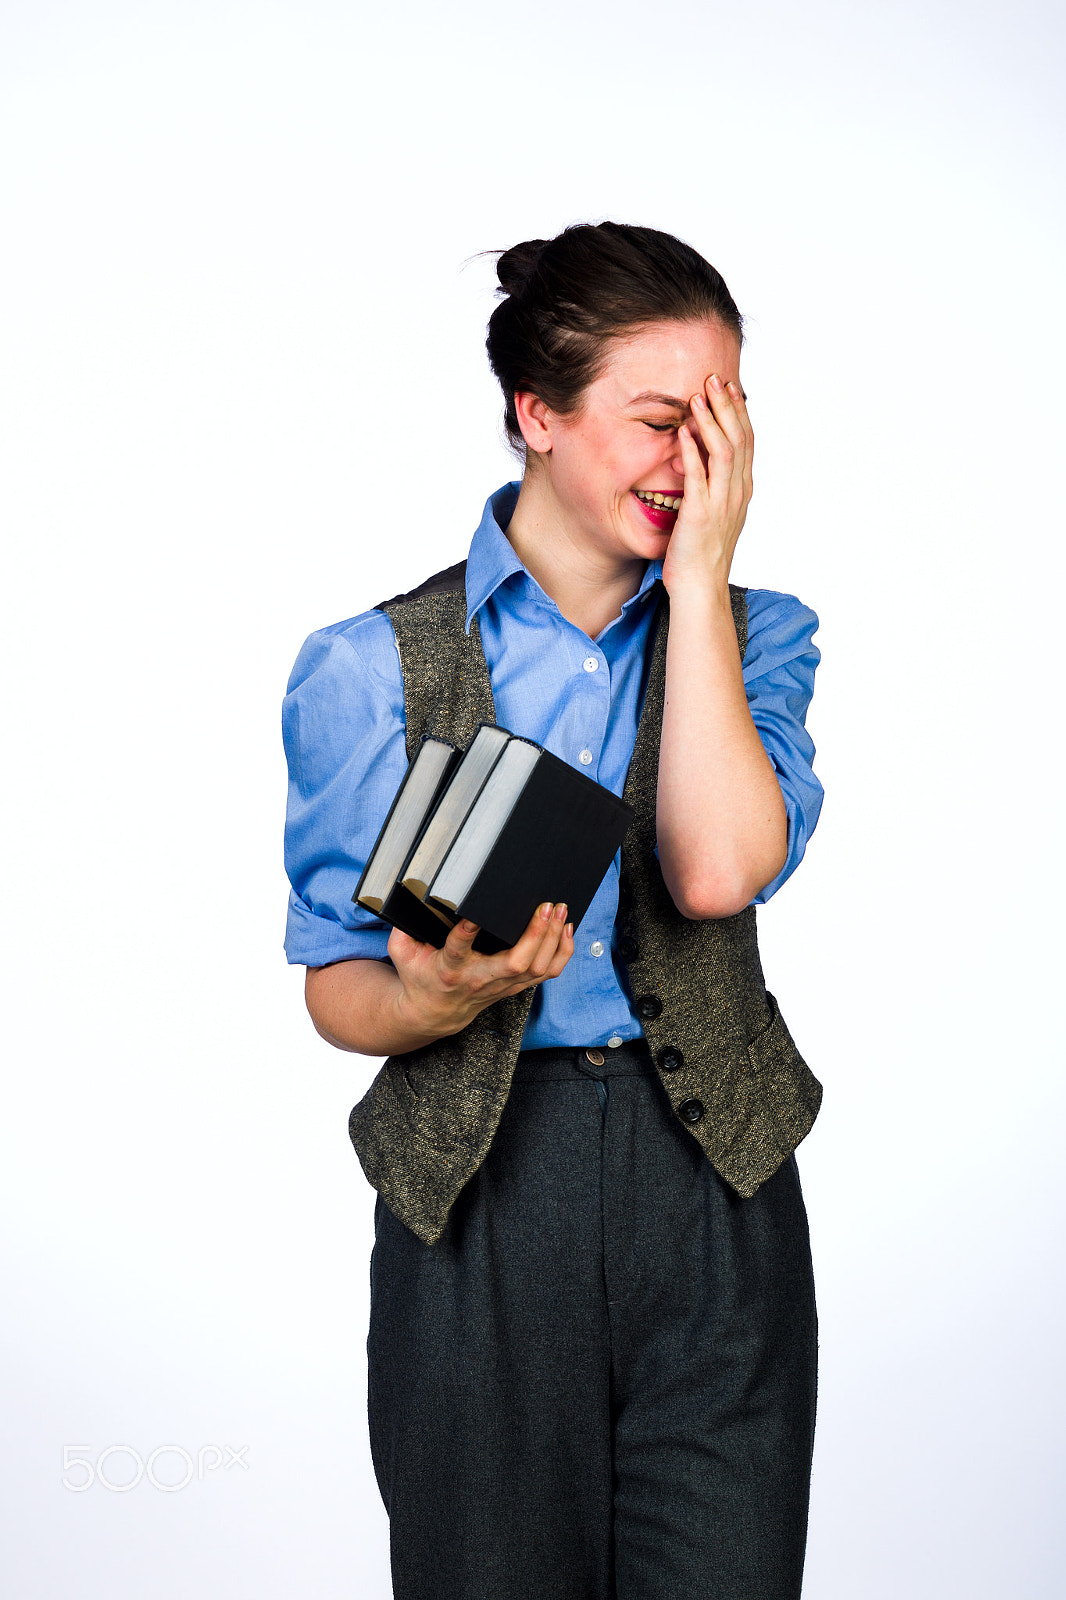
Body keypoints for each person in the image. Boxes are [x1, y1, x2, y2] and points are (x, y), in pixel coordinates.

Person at [282, 222, 824, 1600]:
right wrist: (427, 1000)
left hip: (707, 1184)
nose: (693, 463)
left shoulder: (759, 634)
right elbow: (337, 986)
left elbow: (714, 873)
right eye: (659, 419)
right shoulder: (364, 667)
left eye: (722, 420)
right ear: (537, 413)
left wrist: (694, 584)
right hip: (478, 1192)